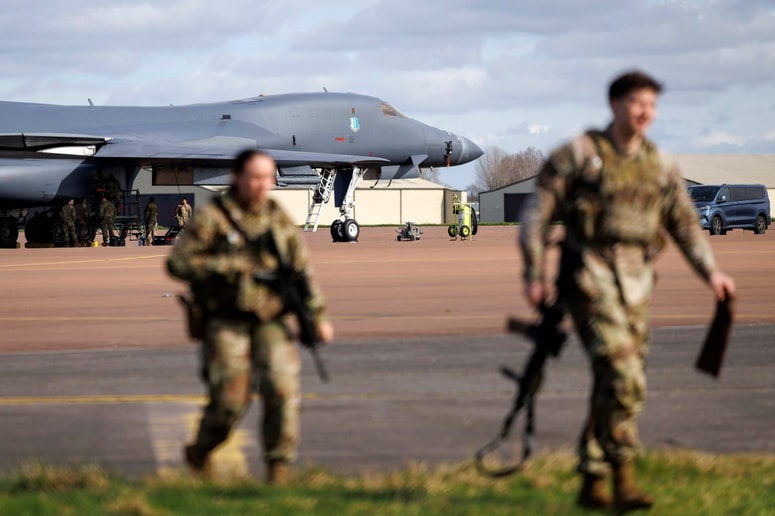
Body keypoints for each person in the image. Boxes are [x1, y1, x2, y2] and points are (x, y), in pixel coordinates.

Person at [519, 70, 735, 512]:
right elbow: (535, 216)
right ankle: (624, 477)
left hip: (637, 285)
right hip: (588, 279)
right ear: (615, 104)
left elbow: (684, 225)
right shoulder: (579, 156)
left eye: (652, 105)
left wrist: (712, 273)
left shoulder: (659, 165)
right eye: (638, 103)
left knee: (613, 382)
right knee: (624, 378)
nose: (645, 112)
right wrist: (534, 274)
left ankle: (591, 479)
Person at [167, 150, 334, 484]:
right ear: (237, 178)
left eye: (267, 178)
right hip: (226, 319)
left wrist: (317, 316)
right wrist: (228, 267)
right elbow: (178, 263)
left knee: (282, 391)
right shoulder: (215, 217)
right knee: (230, 400)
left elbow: (301, 272)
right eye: (255, 177)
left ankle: (279, 468)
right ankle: (201, 450)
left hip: (270, 319)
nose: (262, 185)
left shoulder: (278, 219)